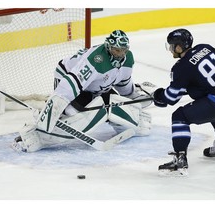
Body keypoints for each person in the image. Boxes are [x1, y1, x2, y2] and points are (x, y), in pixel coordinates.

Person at [12, 29, 155, 152]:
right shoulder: (96, 59)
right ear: (108, 47)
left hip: (96, 88)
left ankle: (127, 125)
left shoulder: (128, 58)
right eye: (117, 50)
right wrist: (57, 105)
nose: (120, 54)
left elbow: (123, 82)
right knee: (80, 118)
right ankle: (37, 137)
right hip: (69, 80)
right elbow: (72, 83)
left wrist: (132, 98)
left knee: (115, 104)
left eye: (123, 50)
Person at [152, 28, 215, 175]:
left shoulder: (181, 67)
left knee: (180, 117)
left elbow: (171, 98)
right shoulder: (205, 48)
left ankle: (180, 160)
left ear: (179, 46)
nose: (171, 49)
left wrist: (159, 95)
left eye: (172, 46)